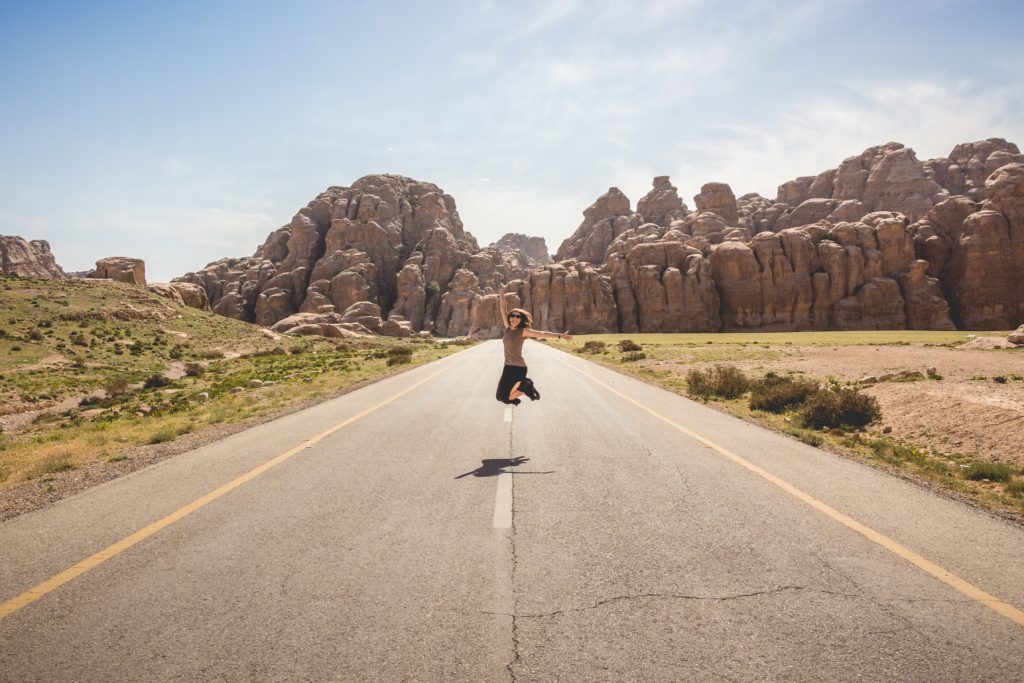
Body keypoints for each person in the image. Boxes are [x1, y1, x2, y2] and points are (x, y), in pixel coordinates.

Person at [496, 283, 573, 405]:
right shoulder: (508, 328)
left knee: (505, 398)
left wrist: (560, 336)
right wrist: (501, 293)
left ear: (521, 319)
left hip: (518, 368)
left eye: (517, 317)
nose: (513, 318)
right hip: (508, 367)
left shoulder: (523, 331)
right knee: (499, 397)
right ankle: (525, 388)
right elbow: (503, 309)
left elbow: (542, 333)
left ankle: (527, 387)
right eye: (512, 316)